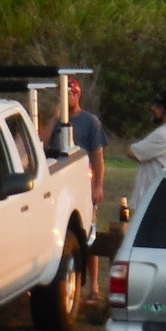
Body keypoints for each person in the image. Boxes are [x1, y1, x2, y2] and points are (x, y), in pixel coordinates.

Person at [45, 75, 107, 301]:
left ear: (77, 95)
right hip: (59, 185)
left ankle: (94, 287)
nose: (64, 98)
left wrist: (98, 186)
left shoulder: (90, 122)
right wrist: (54, 119)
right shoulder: (55, 120)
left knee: (88, 232)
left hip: (83, 182)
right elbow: (41, 143)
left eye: (68, 94)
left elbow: (98, 157)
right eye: (61, 95)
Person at [128, 90, 166, 213]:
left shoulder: (164, 134)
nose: (152, 108)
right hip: (159, 200)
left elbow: (131, 152)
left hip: (153, 202)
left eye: (158, 107)